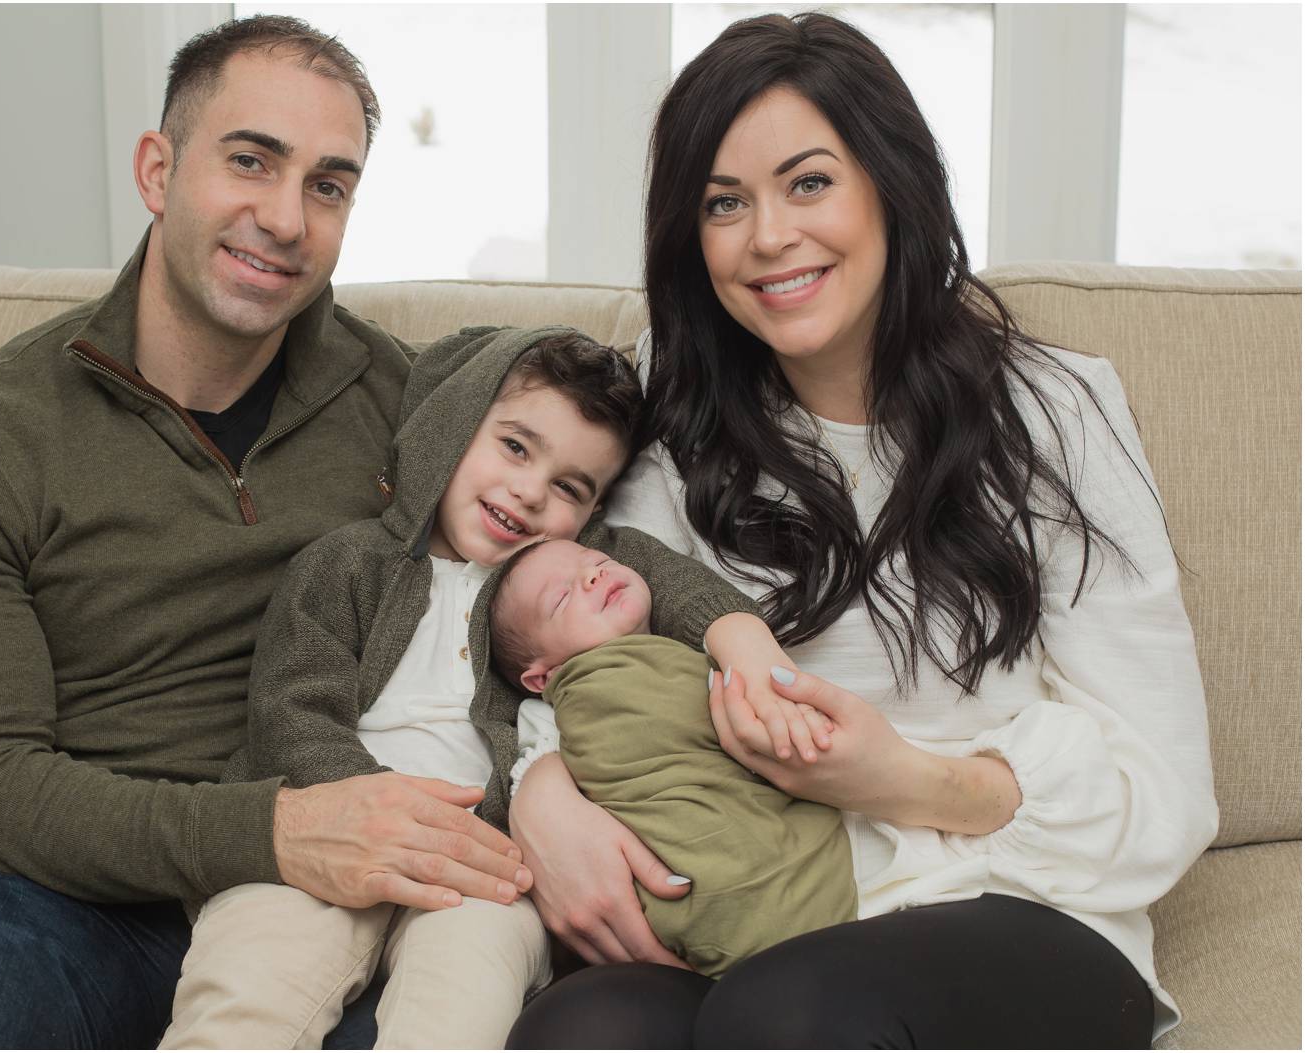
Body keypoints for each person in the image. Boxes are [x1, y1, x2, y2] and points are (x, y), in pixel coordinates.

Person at [505, 12, 1218, 1049]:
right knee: (584, 1031)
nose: (767, 238)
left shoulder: (1056, 408)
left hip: (1016, 900)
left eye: (808, 182)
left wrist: (905, 782)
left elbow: (1166, 785)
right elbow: (564, 636)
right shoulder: (669, 418)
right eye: (722, 203)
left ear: (890, 184)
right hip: (764, 899)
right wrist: (542, 795)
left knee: (790, 1014)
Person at [0, 16, 529, 1049]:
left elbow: (571, 569)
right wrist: (276, 832)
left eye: (327, 184)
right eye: (250, 161)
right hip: (75, 896)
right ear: (158, 169)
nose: (285, 217)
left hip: (334, 909)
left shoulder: (412, 409)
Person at [159, 327, 790, 1048]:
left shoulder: (573, 574)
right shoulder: (350, 563)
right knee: (248, 988)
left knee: (462, 1001)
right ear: (450, 426)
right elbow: (290, 708)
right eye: (515, 447)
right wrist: (367, 807)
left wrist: (740, 635)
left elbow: (672, 583)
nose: (528, 492)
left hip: (487, 865)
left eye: (569, 488)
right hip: (323, 837)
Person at [489, 537, 856, 979]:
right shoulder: (551, 711)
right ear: (542, 677)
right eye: (563, 596)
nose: (593, 575)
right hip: (677, 885)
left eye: (599, 561)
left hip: (762, 847)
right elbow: (528, 766)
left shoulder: (689, 658)